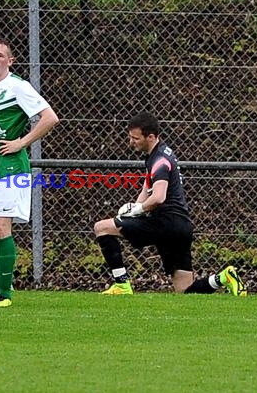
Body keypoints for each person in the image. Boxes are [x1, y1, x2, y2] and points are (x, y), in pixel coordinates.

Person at [93, 112, 247, 296]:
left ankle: (122, 284)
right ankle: (223, 278)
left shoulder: (160, 160)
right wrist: (134, 207)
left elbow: (158, 197)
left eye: (135, 138)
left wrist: (138, 210)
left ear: (150, 137)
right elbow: (147, 186)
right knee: (184, 290)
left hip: (164, 224)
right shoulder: (159, 154)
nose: (131, 142)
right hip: (181, 226)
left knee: (101, 228)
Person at [0, 38, 59, 308]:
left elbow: (50, 117)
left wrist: (21, 142)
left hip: (11, 166)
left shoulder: (18, 87)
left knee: (1, 226)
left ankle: (6, 294)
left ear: (10, 61)